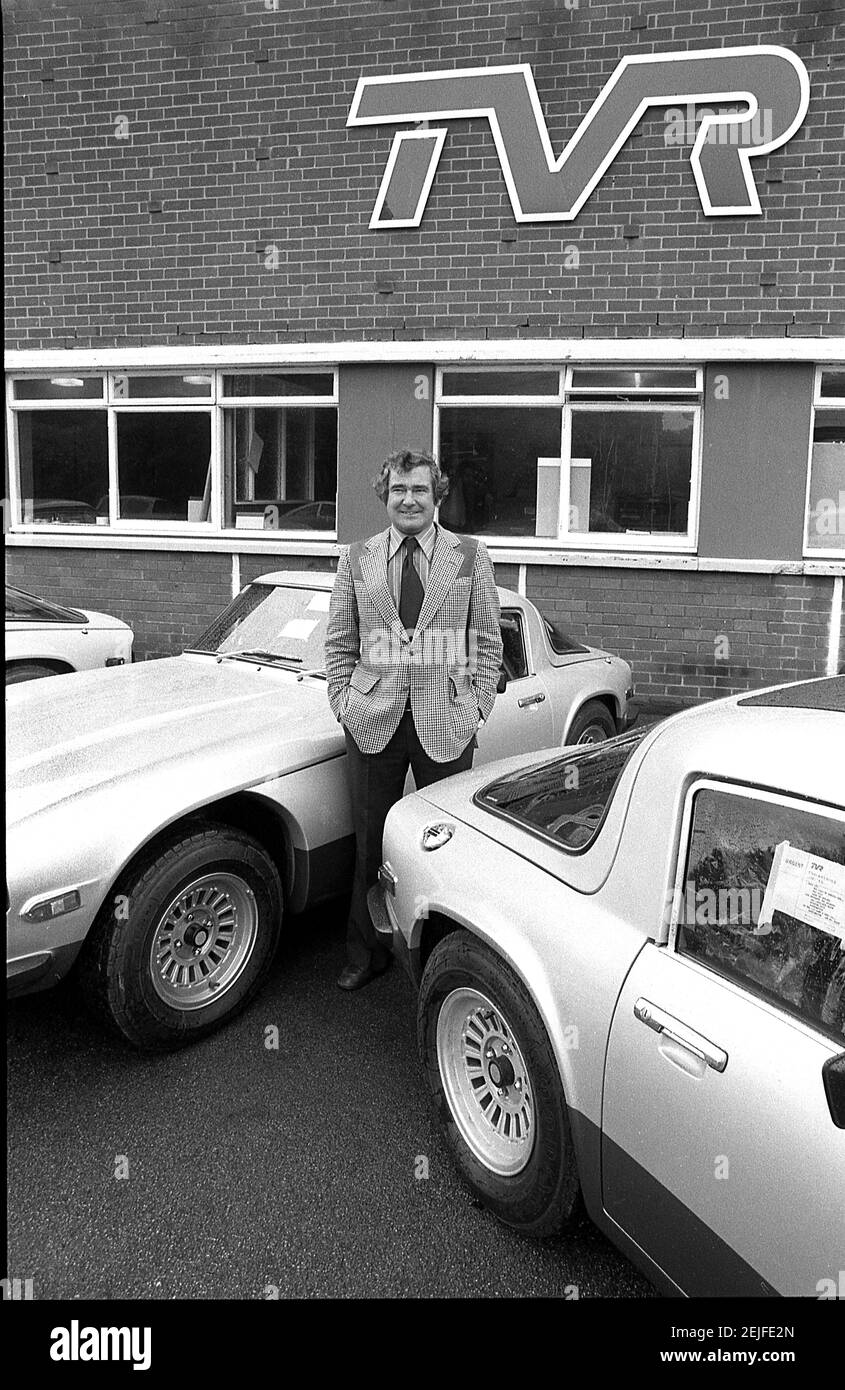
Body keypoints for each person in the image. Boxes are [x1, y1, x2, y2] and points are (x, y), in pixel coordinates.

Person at [325, 448, 503, 990]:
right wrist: (344, 702)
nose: (409, 499)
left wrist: (474, 707)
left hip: (445, 718)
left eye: (419, 490)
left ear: (436, 495)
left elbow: (487, 645)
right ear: (386, 496)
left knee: (445, 845)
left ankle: (444, 961)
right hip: (373, 719)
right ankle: (365, 951)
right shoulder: (355, 558)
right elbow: (339, 644)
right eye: (399, 490)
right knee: (370, 843)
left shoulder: (470, 557)